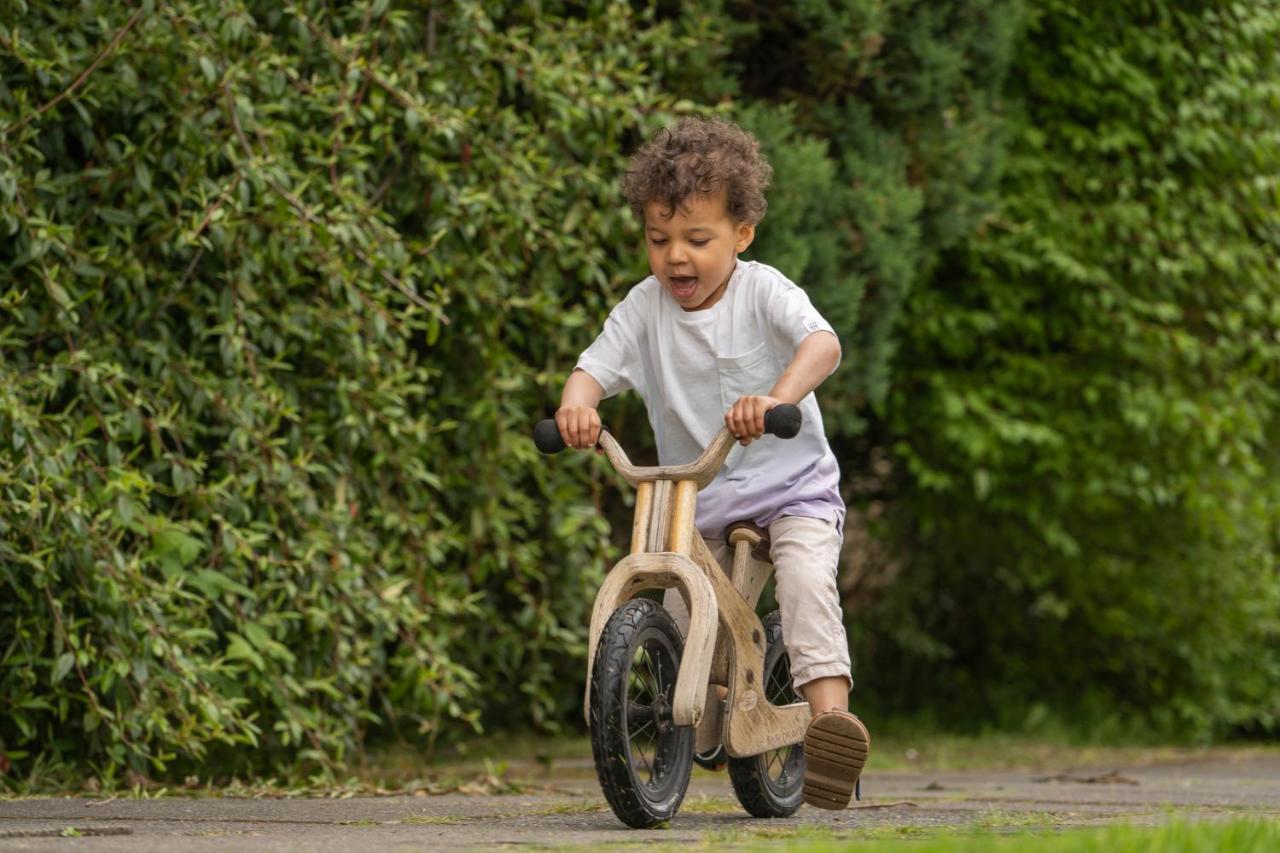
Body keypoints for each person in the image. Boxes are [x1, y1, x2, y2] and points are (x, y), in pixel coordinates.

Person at [554, 116, 869, 810]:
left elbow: (822, 343)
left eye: (698, 239)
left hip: (794, 488)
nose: (676, 257)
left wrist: (778, 397)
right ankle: (697, 716)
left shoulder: (762, 291)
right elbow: (592, 369)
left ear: (741, 235)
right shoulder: (643, 309)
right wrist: (578, 405)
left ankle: (828, 730)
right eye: (659, 239)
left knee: (806, 584)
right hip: (702, 496)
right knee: (675, 605)